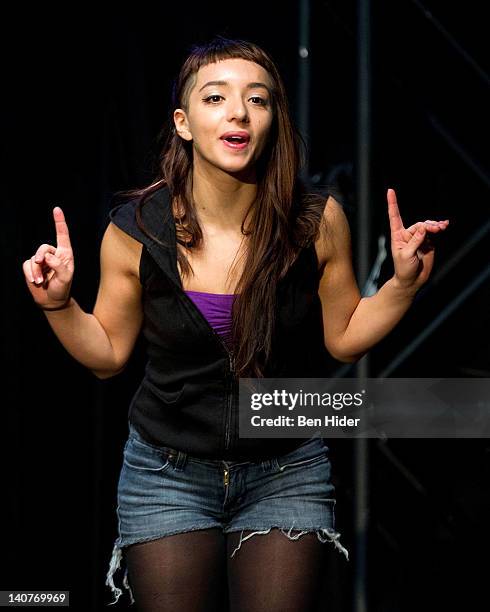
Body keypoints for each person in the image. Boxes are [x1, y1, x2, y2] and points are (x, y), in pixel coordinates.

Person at [22, 37, 449, 611]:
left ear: (273, 120)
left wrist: (399, 287)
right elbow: (107, 356)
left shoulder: (316, 221)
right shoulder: (135, 228)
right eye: (216, 97)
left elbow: (344, 334)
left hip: (285, 467)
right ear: (184, 123)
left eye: (258, 100)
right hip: (166, 473)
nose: (239, 113)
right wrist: (57, 305)